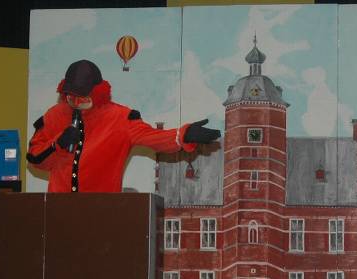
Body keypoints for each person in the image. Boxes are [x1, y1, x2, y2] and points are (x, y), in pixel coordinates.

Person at [27, 59, 220, 192]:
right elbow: (35, 159)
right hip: (57, 212)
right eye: (71, 98)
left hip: (101, 212)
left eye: (83, 98)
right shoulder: (53, 116)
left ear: (97, 93)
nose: (76, 103)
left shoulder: (120, 118)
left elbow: (153, 137)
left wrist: (184, 134)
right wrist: (57, 144)